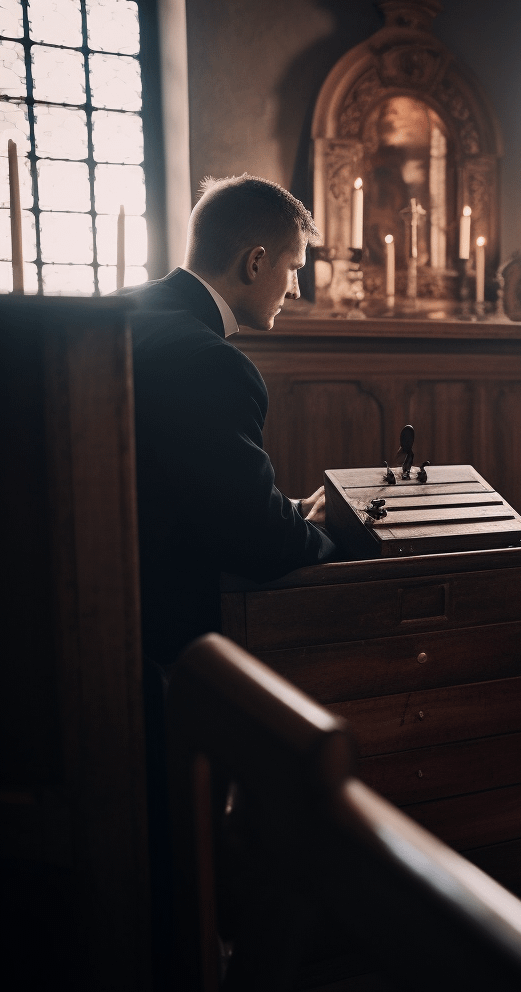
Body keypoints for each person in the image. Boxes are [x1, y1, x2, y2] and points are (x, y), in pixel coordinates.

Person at [128, 174, 337, 666]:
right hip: (164, 640)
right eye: (294, 268)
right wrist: (338, 535)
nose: (296, 288)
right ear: (257, 261)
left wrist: (287, 507)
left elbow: (180, 480)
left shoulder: (125, 310)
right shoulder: (212, 362)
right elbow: (255, 540)